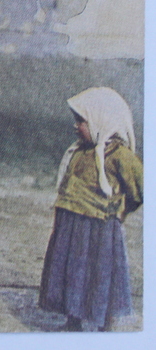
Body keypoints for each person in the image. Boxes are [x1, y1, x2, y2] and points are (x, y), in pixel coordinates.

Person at [39, 87, 142, 331]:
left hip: (99, 227)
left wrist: (123, 210)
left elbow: (140, 186)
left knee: (100, 274)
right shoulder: (79, 151)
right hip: (71, 224)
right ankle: (72, 320)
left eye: (81, 121)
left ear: (100, 119)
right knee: (71, 272)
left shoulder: (119, 155)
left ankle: (103, 324)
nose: (76, 127)